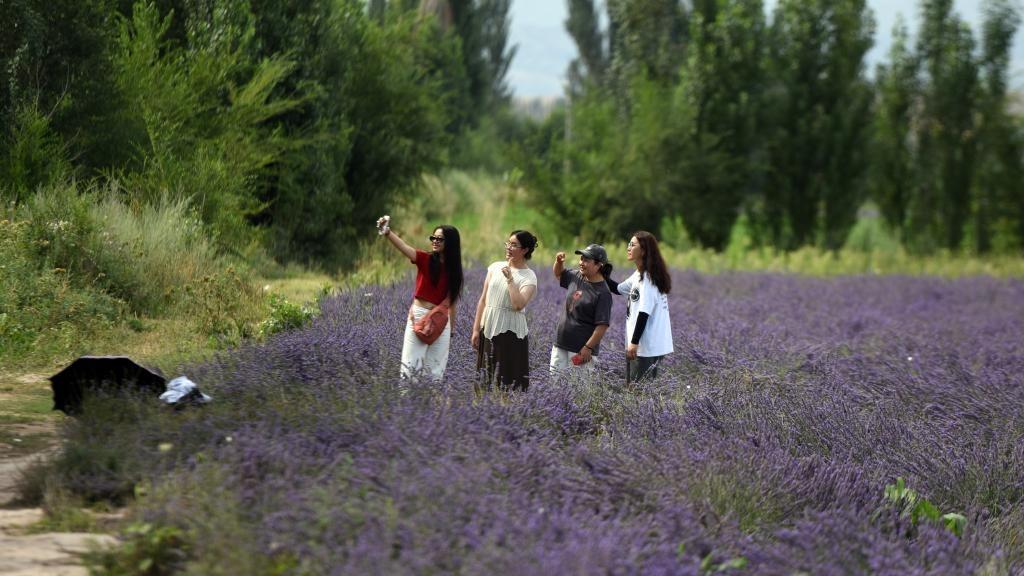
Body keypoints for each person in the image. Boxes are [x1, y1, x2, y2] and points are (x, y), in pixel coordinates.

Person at [376, 216, 464, 380]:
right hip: (419, 315)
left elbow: (451, 303)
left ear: (450, 243)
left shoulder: (454, 270)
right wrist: (387, 232)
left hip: (440, 321)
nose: (435, 241)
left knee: (435, 373)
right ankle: (408, 404)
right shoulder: (425, 259)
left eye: (440, 239)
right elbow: (404, 247)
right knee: (410, 370)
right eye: (433, 238)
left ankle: (427, 405)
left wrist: (451, 330)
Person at [471, 230, 539, 392]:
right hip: (488, 328)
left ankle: (506, 413)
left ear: (525, 250)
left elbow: (518, 304)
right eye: (507, 243)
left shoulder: (529, 277)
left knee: (507, 383)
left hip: (510, 333)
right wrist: (475, 330)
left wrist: (510, 279)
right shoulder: (495, 267)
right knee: (482, 381)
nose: (508, 247)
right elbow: (483, 300)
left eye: (514, 245)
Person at [606, 231, 673, 383]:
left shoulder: (648, 278)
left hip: (646, 345)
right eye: (628, 244)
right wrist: (604, 277)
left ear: (643, 250)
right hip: (645, 344)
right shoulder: (639, 274)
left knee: (639, 392)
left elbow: (644, 312)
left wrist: (634, 343)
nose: (628, 248)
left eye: (632, 245)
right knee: (640, 390)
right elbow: (619, 289)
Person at [550, 244, 614, 374]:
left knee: (576, 389)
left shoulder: (603, 293)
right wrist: (558, 262)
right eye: (581, 259)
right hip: (561, 344)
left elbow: (602, 326)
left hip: (580, 350)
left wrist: (588, 347)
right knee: (555, 386)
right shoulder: (577, 276)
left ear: (598, 265)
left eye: (586, 260)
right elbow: (559, 274)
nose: (581, 263)